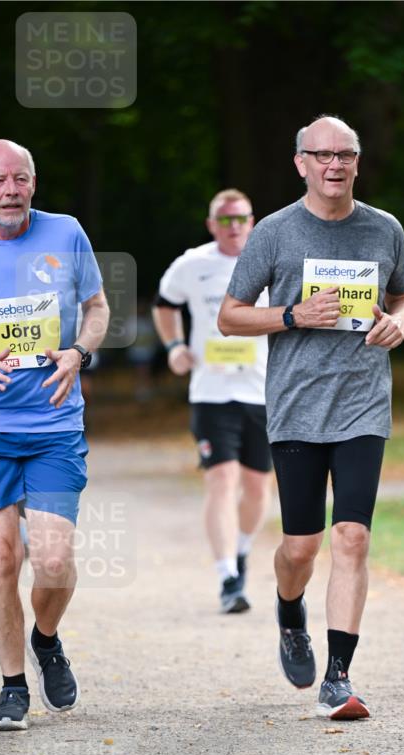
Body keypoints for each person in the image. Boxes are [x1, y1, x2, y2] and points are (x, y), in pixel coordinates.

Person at [218, 115, 404, 720]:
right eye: (322, 155)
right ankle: (288, 610)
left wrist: (399, 322)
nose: (335, 165)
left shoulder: (385, 229)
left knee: (351, 537)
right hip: (297, 409)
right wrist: (292, 317)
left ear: (357, 163)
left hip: (364, 405)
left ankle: (339, 677)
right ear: (300, 163)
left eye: (346, 155)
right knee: (300, 548)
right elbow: (230, 316)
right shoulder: (275, 233)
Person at [0, 139, 110, 732]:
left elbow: (98, 307)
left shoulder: (66, 233)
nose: (10, 191)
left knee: (55, 560)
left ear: (34, 182)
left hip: (55, 426)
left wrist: (80, 352)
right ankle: (12, 687)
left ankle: (47, 638)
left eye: (21, 179)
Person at [153, 189, 271, 613]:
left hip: (261, 389)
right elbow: (164, 305)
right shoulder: (192, 263)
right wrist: (174, 347)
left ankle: (240, 550)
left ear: (252, 221)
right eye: (225, 220)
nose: (234, 226)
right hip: (211, 391)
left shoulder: (269, 260)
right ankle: (227, 577)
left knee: (258, 486)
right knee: (221, 479)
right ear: (211, 225)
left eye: (240, 218)